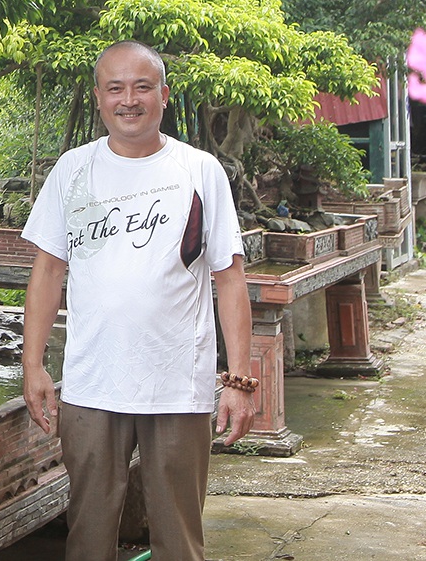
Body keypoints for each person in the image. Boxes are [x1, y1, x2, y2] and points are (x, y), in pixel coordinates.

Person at [19, 40, 255, 561]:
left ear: (164, 95)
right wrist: (33, 365)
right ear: (99, 97)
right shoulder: (73, 170)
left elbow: (230, 278)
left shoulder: (199, 171)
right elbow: (48, 270)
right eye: (116, 88)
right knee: (88, 534)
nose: (129, 100)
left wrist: (239, 381)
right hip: (92, 383)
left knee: (179, 538)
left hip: (177, 387)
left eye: (142, 87)